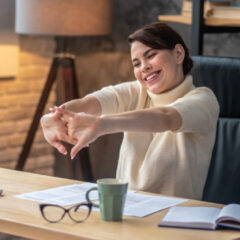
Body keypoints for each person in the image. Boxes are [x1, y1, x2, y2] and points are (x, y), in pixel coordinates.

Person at [41, 22, 219, 200]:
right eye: (137, 64)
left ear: (178, 54)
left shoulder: (203, 100)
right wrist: (55, 116)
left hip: (175, 217)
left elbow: (166, 117)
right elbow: (90, 103)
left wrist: (102, 124)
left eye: (151, 55)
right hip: (127, 208)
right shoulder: (137, 91)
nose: (144, 67)